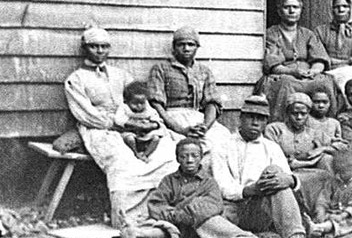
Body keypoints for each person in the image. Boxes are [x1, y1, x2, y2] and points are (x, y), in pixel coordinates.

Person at [64, 27, 177, 227]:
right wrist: (118, 125)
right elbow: (85, 114)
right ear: (85, 49)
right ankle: (129, 220)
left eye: (104, 46)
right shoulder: (76, 79)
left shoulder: (122, 75)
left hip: (134, 125)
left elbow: (143, 102)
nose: (99, 51)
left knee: (166, 151)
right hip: (100, 128)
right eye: (94, 46)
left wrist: (153, 122)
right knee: (122, 160)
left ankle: (160, 212)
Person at [120, 138, 263, 238]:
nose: (189, 160)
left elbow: (214, 204)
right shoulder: (169, 180)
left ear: (201, 158)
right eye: (184, 156)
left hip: (200, 223)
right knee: (162, 229)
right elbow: (157, 204)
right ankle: (137, 234)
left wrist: (189, 212)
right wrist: (175, 215)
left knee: (215, 223)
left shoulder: (208, 181)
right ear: (177, 158)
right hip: (175, 225)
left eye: (194, 156)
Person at [212, 95, 306, 238]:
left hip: (262, 207)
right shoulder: (222, 145)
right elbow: (222, 185)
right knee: (211, 218)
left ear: (266, 123)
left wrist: (290, 180)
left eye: (261, 119)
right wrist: (250, 190)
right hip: (235, 208)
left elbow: (286, 181)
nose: (255, 123)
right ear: (241, 118)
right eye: (251, 117)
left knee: (276, 173)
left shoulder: (271, 147)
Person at [147, 26, 231, 166]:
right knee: (168, 149)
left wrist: (204, 127)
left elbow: (212, 103)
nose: (186, 48)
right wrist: (179, 129)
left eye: (191, 44)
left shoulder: (204, 71)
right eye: (181, 44)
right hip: (171, 119)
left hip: (198, 119)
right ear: (174, 47)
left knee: (222, 141)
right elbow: (156, 103)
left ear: (197, 47)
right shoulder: (161, 68)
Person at [259, 0, 336, 123]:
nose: (291, 11)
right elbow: (274, 65)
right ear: (279, 11)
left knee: (325, 82)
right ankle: (282, 124)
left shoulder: (308, 34)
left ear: (300, 10)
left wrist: (313, 71)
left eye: (295, 7)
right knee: (286, 84)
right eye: (287, 7)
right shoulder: (272, 34)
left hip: (307, 75)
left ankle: (326, 125)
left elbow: (319, 59)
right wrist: (293, 71)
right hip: (286, 74)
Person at [264, 93, 335, 214]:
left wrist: (322, 149)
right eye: (294, 113)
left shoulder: (314, 133)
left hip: (308, 171)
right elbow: (270, 153)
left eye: (303, 114)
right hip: (283, 171)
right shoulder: (275, 129)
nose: (299, 117)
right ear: (287, 113)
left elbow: (341, 146)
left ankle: (320, 210)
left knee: (327, 161)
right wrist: (306, 162)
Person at [305, 150, 352, 238]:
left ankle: (320, 228)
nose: (342, 175)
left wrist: (343, 215)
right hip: (332, 212)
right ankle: (315, 227)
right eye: (340, 172)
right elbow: (324, 197)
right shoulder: (333, 181)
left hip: (348, 215)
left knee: (350, 223)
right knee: (322, 218)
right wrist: (321, 212)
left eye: (345, 172)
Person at [114, 81, 166, 161]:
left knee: (156, 138)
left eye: (142, 103)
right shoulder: (124, 107)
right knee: (129, 138)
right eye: (135, 103)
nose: (139, 106)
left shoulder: (147, 108)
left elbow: (155, 116)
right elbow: (118, 119)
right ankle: (136, 153)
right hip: (131, 131)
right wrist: (133, 124)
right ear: (127, 101)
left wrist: (153, 125)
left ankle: (146, 155)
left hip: (146, 133)